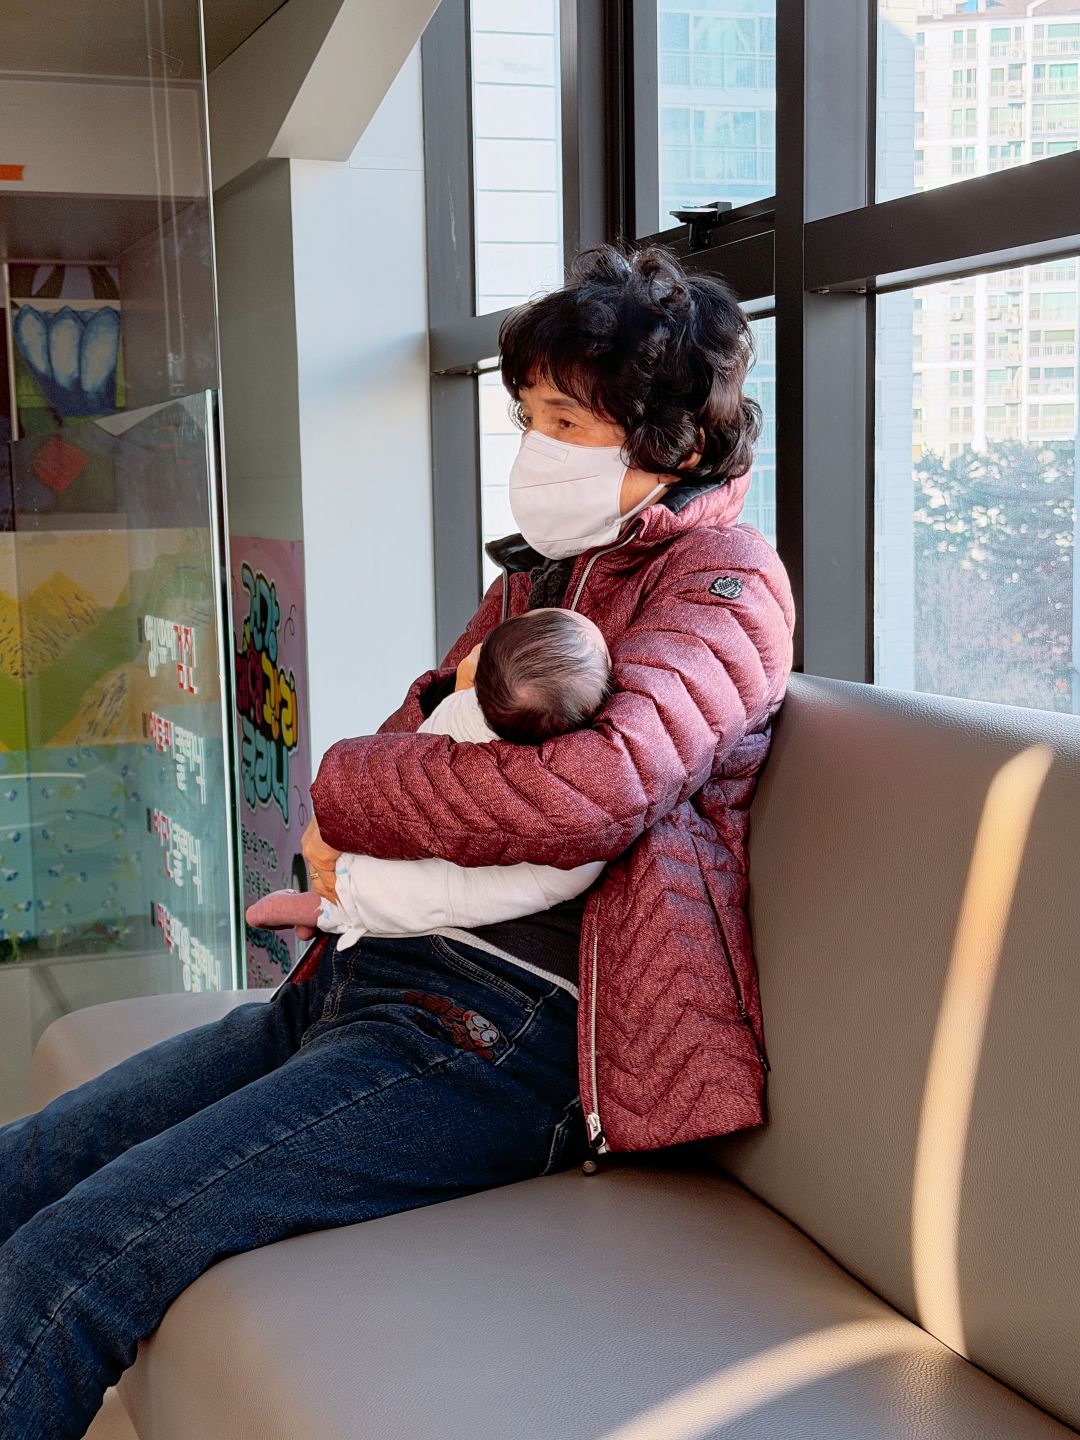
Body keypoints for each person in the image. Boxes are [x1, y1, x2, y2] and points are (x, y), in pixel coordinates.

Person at [0, 245, 794, 1439]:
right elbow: (417, 730)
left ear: (671, 442)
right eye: (528, 416)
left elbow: (590, 791)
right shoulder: (540, 583)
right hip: (362, 980)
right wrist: (367, 800)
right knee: (26, 1165)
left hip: (503, 1035)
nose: (533, 447)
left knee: (73, 1255)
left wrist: (348, 785)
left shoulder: (726, 587)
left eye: (565, 420)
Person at [246, 608, 611, 949]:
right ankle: (322, 908)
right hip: (419, 857)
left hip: (399, 827)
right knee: (421, 895)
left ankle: (319, 905)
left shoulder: (464, 705)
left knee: (415, 880)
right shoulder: (557, 774)